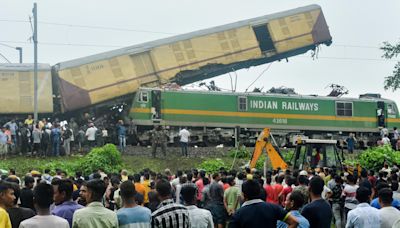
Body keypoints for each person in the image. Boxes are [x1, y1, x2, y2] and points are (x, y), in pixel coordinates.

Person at [229, 179, 298, 228]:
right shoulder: (274, 208)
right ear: (259, 192)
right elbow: (294, 222)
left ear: (243, 195)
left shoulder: (238, 214)